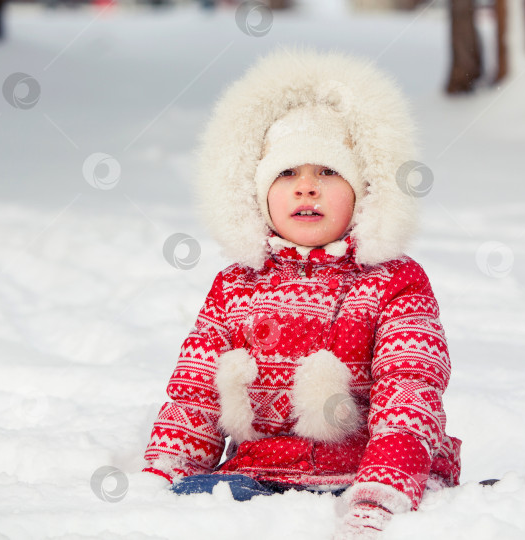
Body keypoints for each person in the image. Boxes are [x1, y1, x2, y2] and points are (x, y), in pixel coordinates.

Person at [143, 49, 462, 538]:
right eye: (287, 174)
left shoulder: (395, 281)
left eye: (329, 173)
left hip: (358, 475)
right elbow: (197, 392)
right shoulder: (236, 285)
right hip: (259, 475)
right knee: (196, 503)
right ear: (257, 193)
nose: (306, 188)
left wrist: (382, 491)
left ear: (364, 191)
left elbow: (410, 388)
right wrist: (165, 473)